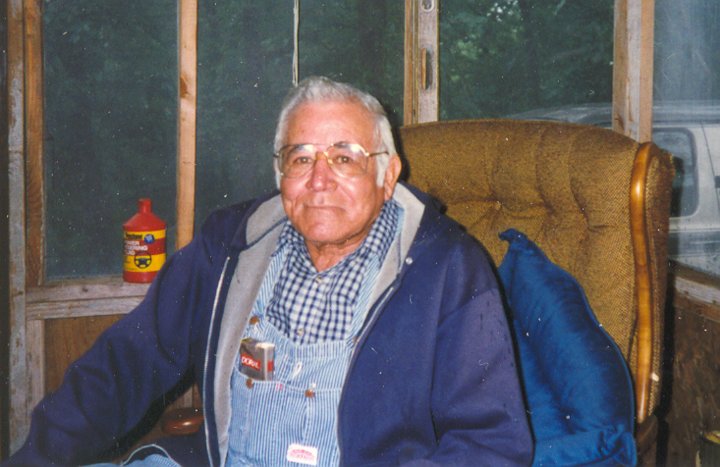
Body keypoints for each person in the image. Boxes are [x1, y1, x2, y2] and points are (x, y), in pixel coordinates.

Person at [7, 76, 532, 466]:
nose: (319, 180)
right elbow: (125, 365)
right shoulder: (229, 247)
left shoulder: (447, 268)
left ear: (387, 174)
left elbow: (489, 444)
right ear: (280, 174)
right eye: (301, 158)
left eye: (344, 158)